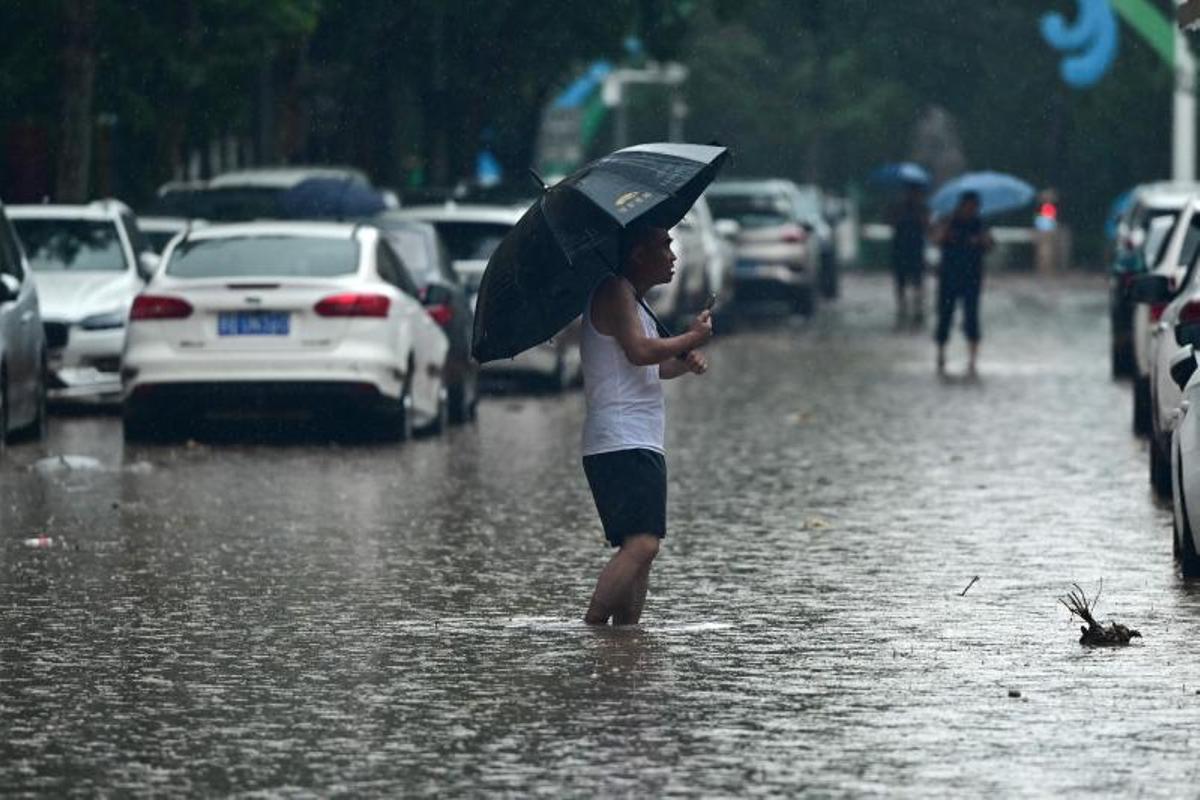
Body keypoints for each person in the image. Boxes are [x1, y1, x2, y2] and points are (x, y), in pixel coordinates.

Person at [580, 225, 712, 626]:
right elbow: (639, 352)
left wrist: (682, 359)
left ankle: (624, 642)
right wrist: (689, 336)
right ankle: (592, 628)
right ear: (638, 254)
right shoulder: (615, 289)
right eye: (664, 246)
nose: (673, 255)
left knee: (643, 552)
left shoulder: (633, 300)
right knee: (642, 545)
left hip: (640, 439)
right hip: (621, 439)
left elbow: (650, 368)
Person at [933, 190, 993, 377]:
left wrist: (981, 240)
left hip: (972, 278)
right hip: (948, 276)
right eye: (969, 205)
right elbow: (937, 240)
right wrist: (946, 234)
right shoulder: (949, 221)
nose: (971, 209)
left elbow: (990, 245)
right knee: (944, 316)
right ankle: (941, 355)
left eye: (974, 206)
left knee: (972, 318)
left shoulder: (980, 224)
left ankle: (972, 360)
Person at [889, 183, 930, 329]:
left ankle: (917, 309)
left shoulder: (923, 208)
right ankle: (902, 308)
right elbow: (891, 223)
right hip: (900, 250)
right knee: (900, 282)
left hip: (916, 250)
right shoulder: (898, 207)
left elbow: (927, 227)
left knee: (918, 282)